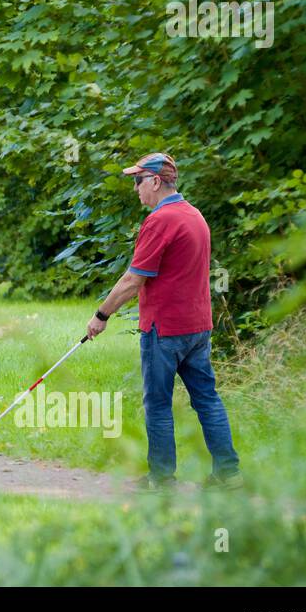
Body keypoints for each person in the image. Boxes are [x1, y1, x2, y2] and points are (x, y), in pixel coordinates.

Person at [85, 152, 243, 492]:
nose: (136, 189)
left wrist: (102, 315)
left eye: (138, 181)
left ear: (156, 181)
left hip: (165, 330)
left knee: (157, 404)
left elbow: (132, 279)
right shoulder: (195, 216)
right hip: (198, 327)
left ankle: (160, 479)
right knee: (208, 400)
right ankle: (229, 475)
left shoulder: (161, 221)